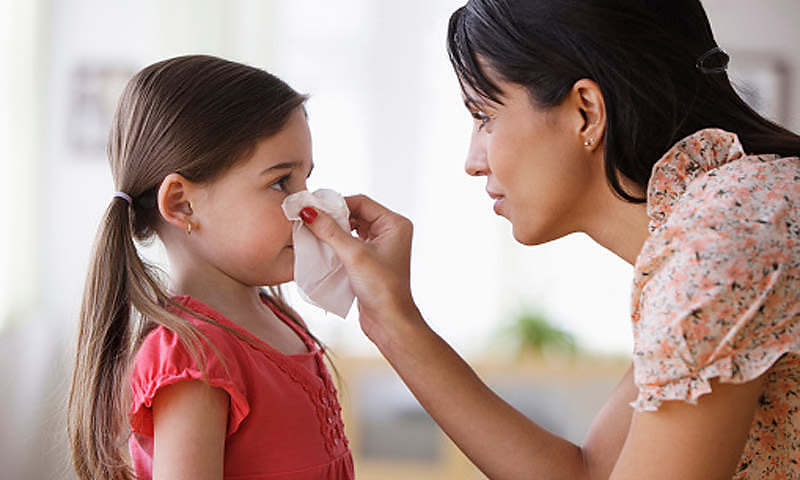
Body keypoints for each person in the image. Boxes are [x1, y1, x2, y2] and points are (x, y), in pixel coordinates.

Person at [299, 1, 800, 478]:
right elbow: (591, 473)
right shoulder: (737, 211)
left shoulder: (720, 241)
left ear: (585, 110)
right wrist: (391, 319)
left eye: (483, 117)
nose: (473, 161)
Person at [67, 55, 354, 480]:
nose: (307, 206)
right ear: (182, 204)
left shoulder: (279, 319)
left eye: (306, 180)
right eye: (281, 183)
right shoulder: (193, 357)